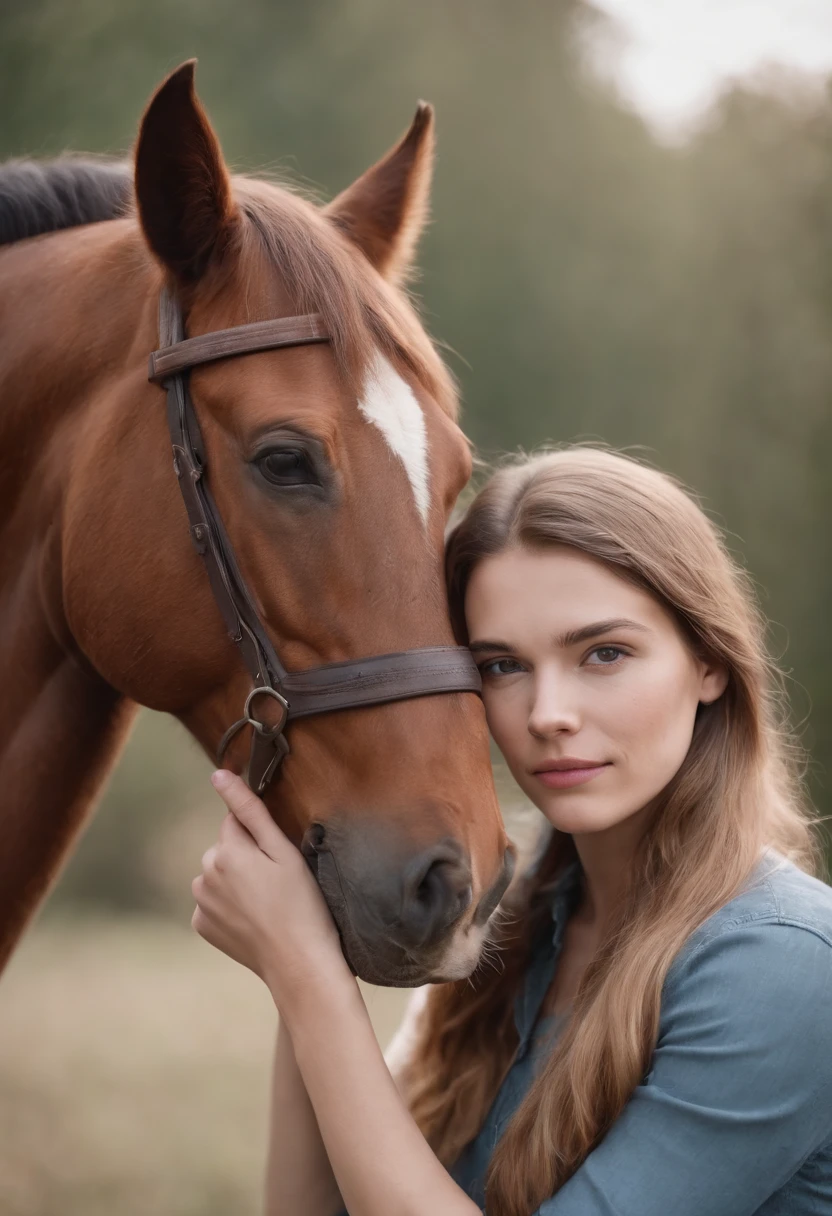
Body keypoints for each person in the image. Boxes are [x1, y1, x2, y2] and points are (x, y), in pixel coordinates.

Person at [191, 446, 832, 1216]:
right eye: (501, 666)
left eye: (604, 653)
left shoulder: (787, 966)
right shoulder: (511, 922)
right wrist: (314, 949)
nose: (547, 714)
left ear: (708, 662)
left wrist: (306, 974)